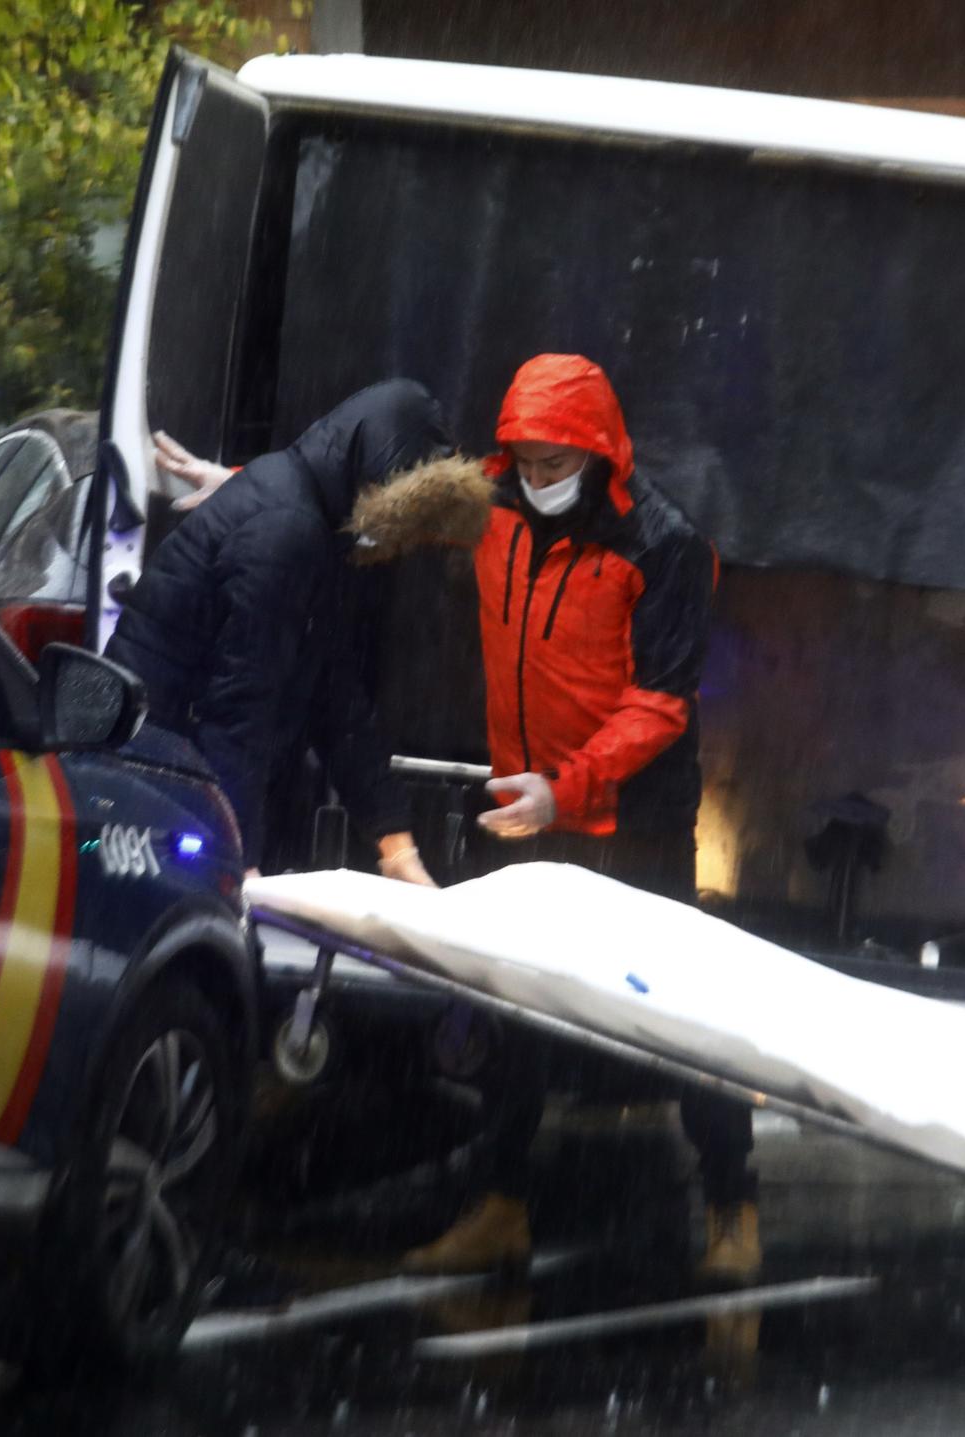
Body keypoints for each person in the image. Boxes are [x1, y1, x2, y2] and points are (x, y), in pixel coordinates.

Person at [394, 353, 760, 1282]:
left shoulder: (662, 545)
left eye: (556, 463)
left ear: (599, 454)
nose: (538, 478)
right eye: (525, 459)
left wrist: (572, 783)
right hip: (533, 806)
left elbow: (661, 704)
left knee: (675, 1015)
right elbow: (378, 504)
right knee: (514, 1010)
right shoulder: (489, 501)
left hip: (631, 815)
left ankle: (732, 1202)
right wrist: (235, 489)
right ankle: (501, 1208)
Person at [106, 381, 447, 884]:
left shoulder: (316, 520)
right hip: (151, 763)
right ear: (377, 478)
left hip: (164, 755)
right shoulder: (288, 530)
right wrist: (238, 861)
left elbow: (334, 696)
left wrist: (394, 840)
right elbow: (240, 707)